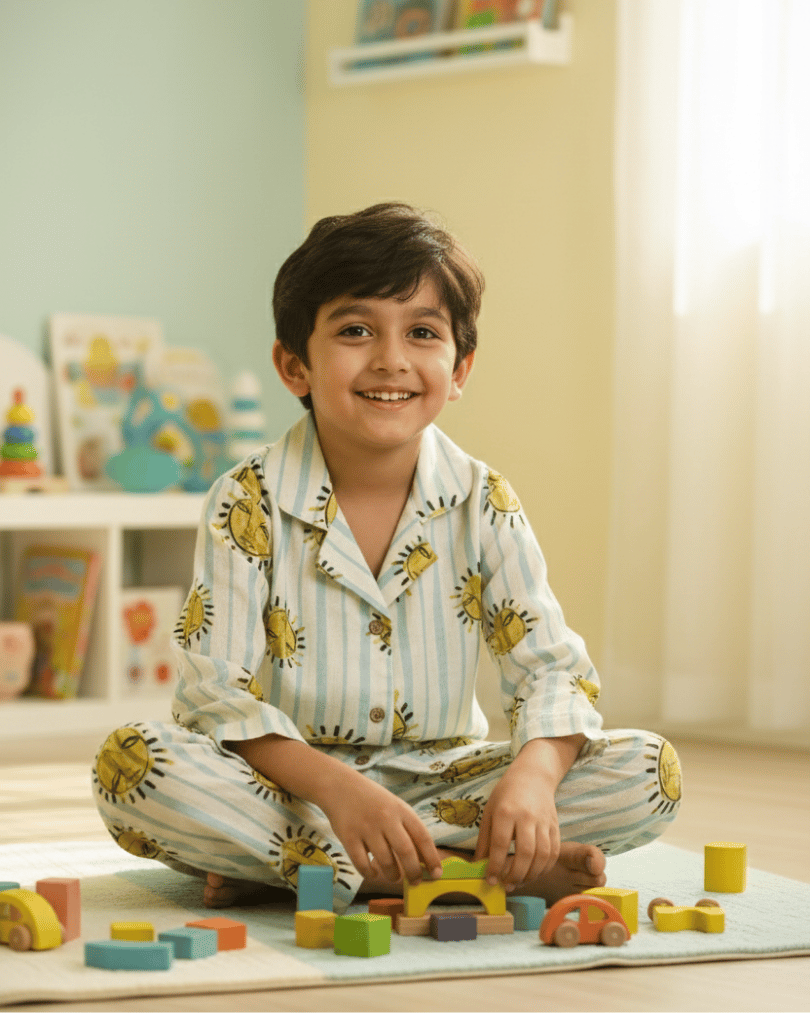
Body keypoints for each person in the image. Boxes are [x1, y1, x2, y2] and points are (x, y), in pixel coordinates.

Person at [92, 202, 682, 913]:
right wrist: (339, 790)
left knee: (650, 771)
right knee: (134, 768)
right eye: (355, 330)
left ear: (459, 368)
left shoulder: (484, 500)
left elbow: (552, 669)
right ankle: (469, 872)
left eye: (423, 332)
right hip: (294, 787)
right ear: (294, 364)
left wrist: (531, 777)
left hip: (447, 780)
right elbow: (215, 695)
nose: (391, 358)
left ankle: (312, 870)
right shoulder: (244, 500)